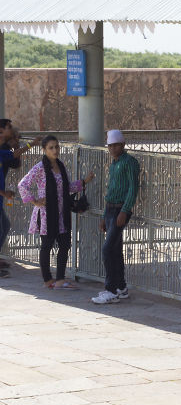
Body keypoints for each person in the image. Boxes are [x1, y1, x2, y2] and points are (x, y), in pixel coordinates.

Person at [18, 135, 95, 289]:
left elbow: (66, 188)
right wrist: (35, 201)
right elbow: (22, 184)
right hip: (46, 214)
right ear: (44, 150)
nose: (55, 150)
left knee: (65, 244)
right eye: (51, 147)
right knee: (47, 245)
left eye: (57, 147)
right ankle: (47, 280)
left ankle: (60, 279)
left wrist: (84, 182)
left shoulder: (61, 165)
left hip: (61, 213)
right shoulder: (40, 167)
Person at [92, 130, 140, 305]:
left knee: (107, 249)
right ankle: (121, 287)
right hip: (111, 209)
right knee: (115, 250)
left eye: (115, 145)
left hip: (120, 209)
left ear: (122, 145)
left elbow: (133, 188)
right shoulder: (114, 164)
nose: (112, 149)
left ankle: (111, 290)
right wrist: (105, 216)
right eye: (110, 146)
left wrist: (125, 211)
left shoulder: (129, 162)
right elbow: (111, 190)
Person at [0, 121, 34, 278]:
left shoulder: (4, 149)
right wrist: (32, 144)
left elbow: (15, 161)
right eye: (9, 128)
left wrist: (17, 146)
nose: (12, 130)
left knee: (5, 226)